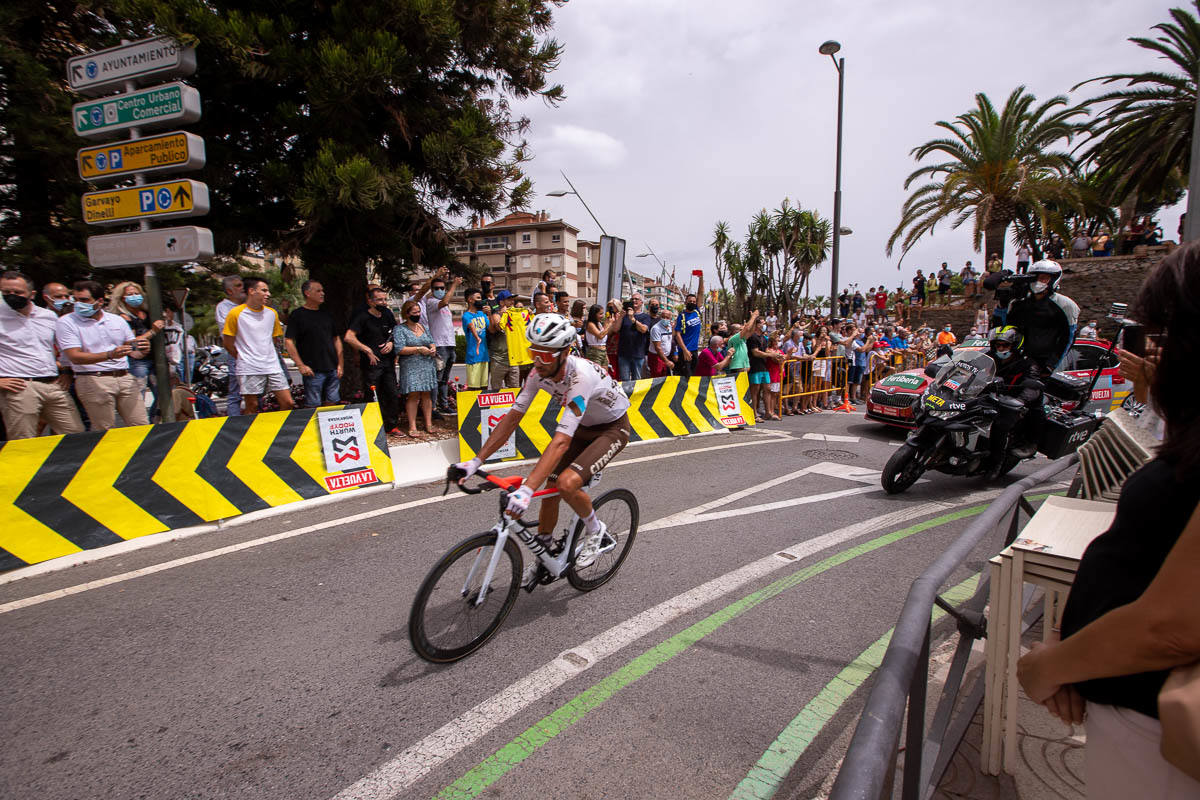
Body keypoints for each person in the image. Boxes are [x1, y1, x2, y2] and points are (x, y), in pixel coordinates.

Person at [1016, 248, 1200, 797]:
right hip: (1131, 710)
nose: (1147, 353)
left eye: (1161, 337)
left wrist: (1048, 666)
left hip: (1157, 728)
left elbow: (1171, 626)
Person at [453, 313, 632, 584]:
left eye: (545, 354)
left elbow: (561, 440)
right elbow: (512, 417)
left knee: (567, 483)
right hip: (584, 427)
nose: (537, 361)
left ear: (565, 352)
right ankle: (544, 551)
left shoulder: (579, 377)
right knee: (550, 489)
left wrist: (526, 490)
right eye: (533, 352)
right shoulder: (538, 373)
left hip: (612, 427)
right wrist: (476, 461)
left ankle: (596, 530)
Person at [0, 271, 83, 438]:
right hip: (19, 386)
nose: (12, 296)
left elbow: (61, 347)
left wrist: (67, 371)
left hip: (53, 384)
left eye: (17, 292)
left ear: (32, 294)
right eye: (6, 292)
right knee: (23, 440)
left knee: (75, 434)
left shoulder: (48, 316)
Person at [56, 280, 148, 430]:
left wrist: (143, 348)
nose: (78, 304)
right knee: (104, 430)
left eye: (84, 300)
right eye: (76, 300)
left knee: (140, 425)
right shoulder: (66, 322)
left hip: (124, 377)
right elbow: (74, 356)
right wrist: (109, 355)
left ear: (99, 301)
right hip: (93, 379)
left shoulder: (116, 320)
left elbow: (134, 351)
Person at [221, 277, 293, 415]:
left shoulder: (271, 313)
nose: (268, 294)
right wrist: (243, 358)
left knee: (288, 402)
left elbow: (274, 339)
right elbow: (228, 343)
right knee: (252, 406)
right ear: (251, 291)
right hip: (249, 367)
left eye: (268, 291)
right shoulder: (235, 314)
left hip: (272, 365)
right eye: (264, 290)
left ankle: (276, 430)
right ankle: (252, 433)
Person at [981, 326, 1043, 478]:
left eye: (1005, 345)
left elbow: (1032, 387)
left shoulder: (1027, 364)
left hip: (1011, 402)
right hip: (989, 396)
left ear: (1015, 346)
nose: (1000, 348)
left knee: (1000, 426)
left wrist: (1020, 401)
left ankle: (995, 463)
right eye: (998, 345)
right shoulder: (989, 357)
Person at [1004, 259, 1080, 375]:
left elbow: (1068, 338)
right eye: (1035, 278)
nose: (1038, 282)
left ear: (1053, 280)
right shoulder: (1019, 303)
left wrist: (1051, 365)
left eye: (1043, 278)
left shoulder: (1065, 304)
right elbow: (1007, 329)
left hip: (1047, 364)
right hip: (1021, 361)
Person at [345, 287, 400, 432]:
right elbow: (349, 337)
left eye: (385, 299)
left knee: (392, 393)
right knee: (373, 395)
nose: (383, 302)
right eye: (379, 300)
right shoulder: (362, 317)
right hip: (371, 364)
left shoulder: (387, 313)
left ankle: (392, 425)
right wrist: (366, 350)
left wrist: (391, 343)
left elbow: (396, 332)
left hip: (388, 362)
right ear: (370, 301)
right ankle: (375, 427)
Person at [108, 280, 165, 412]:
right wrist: (152, 332)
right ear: (122, 298)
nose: (134, 296)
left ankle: (155, 420)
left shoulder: (148, 313)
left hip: (157, 358)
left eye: (136, 293)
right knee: (138, 395)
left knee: (163, 395)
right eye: (130, 294)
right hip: (138, 361)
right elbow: (131, 342)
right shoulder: (123, 318)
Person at [284, 280, 342, 407]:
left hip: (332, 368)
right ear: (307, 293)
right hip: (313, 370)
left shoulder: (327, 315)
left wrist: (340, 364)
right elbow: (288, 341)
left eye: (322, 290)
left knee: (333, 403)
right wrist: (300, 365)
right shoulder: (298, 315)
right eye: (318, 291)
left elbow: (336, 339)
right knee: (313, 405)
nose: (322, 293)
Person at [412, 267, 460, 415]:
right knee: (436, 379)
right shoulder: (431, 302)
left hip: (450, 344)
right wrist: (454, 285)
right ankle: (432, 408)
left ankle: (444, 405)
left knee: (445, 379)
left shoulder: (443, 304)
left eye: (442, 288)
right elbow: (444, 301)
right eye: (436, 288)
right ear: (432, 290)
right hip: (439, 345)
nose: (440, 290)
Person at [394, 299, 438, 437]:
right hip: (411, 365)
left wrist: (432, 348)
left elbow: (431, 341)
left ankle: (428, 423)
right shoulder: (400, 329)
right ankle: (412, 426)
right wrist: (418, 349)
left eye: (419, 312)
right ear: (406, 314)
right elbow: (399, 349)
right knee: (413, 395)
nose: (417, 314)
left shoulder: (423, 327)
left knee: (426, 394)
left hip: (427, 364)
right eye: (414, 312)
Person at [214, 275, 246, 416]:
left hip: (254, 353)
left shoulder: (248, 305)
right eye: (238, 285)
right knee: (236, 392)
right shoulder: (223, 307)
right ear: (229, 291)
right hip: (236, 353)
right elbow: (232, 330)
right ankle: (235, 423)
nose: (243, 288)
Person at [487, 290, 518, 391]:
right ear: (501, 302)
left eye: (512, 299)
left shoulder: (515, 314)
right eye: (509, 299)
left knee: (515, 390)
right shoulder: (496, 315)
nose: (512, 302)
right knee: (496, 391)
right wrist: (504, 314)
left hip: (513, 359)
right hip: (498, 359)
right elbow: (498, 327)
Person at [617, 294, 651, 381]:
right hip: (624, 354)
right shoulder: (624, 316)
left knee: (637, 381)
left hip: (638, 354)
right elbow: (615, 329)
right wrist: (620, 317)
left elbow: (643, 329)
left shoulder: (645, 317)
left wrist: (632, 318)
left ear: (641, 302)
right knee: (625, 381)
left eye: (636, 299)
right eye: (632, 299)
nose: (634, 301)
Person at [461, 287, 490, 392]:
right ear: (470, 300)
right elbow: (471, 327)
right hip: (473, 356)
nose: (480, 300)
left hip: (484, 355)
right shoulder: (466, 315)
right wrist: (478, 338)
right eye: (478, 298)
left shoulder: (482, 314)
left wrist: (489, 314)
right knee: (474, 387)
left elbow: (490, 328)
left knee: (484, 387)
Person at [502, 295, 534, 382]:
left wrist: (531, 315)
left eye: (522, 307)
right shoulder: (508, 314)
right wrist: (504, 314)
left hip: (528, 355)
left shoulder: (528, 315)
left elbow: (537, 328)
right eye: (518, 307)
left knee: (529, 382)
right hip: (515, 355)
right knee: (517, 383)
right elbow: (501, 326)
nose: (520, 308)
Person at [673, 292, 703, 378]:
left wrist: (701, 278)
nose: (692, 303)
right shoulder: (681, 316)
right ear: (685, 302)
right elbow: (677, 335)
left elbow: (700, 294)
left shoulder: (696, 312)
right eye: (690, 301)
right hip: (685, 351)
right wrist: (685, 350)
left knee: (694, 375)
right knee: (686, 376)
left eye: (694, 302)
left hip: (694, 350)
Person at [583, 302, 618, 369]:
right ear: (594, 314)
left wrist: (607, 323)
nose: (602, 316)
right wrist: (610, 324)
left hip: (603, 352)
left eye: (603, 313)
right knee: (596, 375)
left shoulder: (599, 324)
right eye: (600, 314)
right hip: (594, 352)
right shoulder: (590, 324)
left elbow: (604, 334)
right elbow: (600, 336)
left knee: (604, 375)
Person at [648, 308, 675, 378]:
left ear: (670, 318)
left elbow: (672, 340)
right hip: (657, 357)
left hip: (666, 356)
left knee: (664, 378)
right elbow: (658, 347)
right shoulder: (656, 328)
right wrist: (667, 361)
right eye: (663, 317)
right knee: (657, 378)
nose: (665, 319)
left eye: (667, 317)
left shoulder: (669, 327)